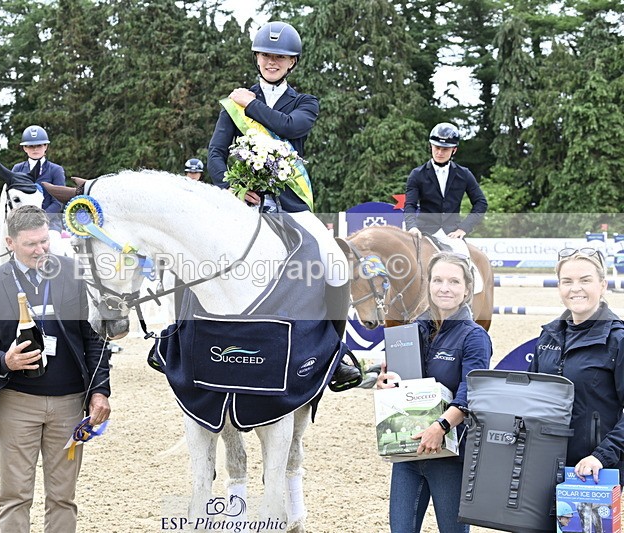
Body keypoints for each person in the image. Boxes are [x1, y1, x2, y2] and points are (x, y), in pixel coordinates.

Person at [207, 20, 361, 391]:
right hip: (245, 206)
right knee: (199, 254)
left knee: (335, 263)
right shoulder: (234, 105)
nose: (271, 61)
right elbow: (215, 153)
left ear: (292, 62)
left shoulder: (304, 103)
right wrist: (232, 187)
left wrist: (251, 104)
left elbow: (290, 128)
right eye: (265, 54)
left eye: (280, 57)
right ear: (257, 57)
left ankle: (333, 354)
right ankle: (178, 337)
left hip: (292, 205)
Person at [0, 205, 111, 533]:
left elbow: (95, 340)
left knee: (63, 496)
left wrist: (100, 390)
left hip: (69, 404)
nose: (41, 249)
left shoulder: (72, 273)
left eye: (44, 241)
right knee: (15, 495)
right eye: (31, 244)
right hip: (16, 404)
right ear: (10, 242)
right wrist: (5, 360)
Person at [376, 252, 492, 533]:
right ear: (429, 285)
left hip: (449, 455)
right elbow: (398, 382)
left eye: (454, 281)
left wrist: (440, 427)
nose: (444, 288)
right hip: (408, 451)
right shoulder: (411, 330)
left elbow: (471, 391)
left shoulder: (474, 336)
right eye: (438, 280)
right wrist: (384, 383)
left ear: (466, 289)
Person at [528, 248, 624, 486]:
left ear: (602, 285)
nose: (575, 288)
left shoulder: (618, 340)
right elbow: (530, 398)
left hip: (593, 471)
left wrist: (601, 456)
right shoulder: (548, 336)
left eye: (585, 280)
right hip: (544, 465)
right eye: (567, 281)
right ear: (559, 287)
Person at [403, 123, 487, 256]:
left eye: (445, 149)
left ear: (454, 150)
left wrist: (463, 228)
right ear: (430, 146)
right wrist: (412, 227)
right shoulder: (417, 174)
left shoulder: (464, 174)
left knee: (466, 263)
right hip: (425, 232)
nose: (439, 153)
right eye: (436, 148)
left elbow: (481, 203)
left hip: (452, 234)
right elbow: (409, 205)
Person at [12, 125, 66, 233]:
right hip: (22, 225)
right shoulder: (17, 169)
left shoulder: (56, 170)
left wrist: (40, 219)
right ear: (25, 148)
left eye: (39, 145)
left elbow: (58, 202)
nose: (35, 149)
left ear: (45, 146)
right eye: (31, 146)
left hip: (50, 224)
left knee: (56, 244)